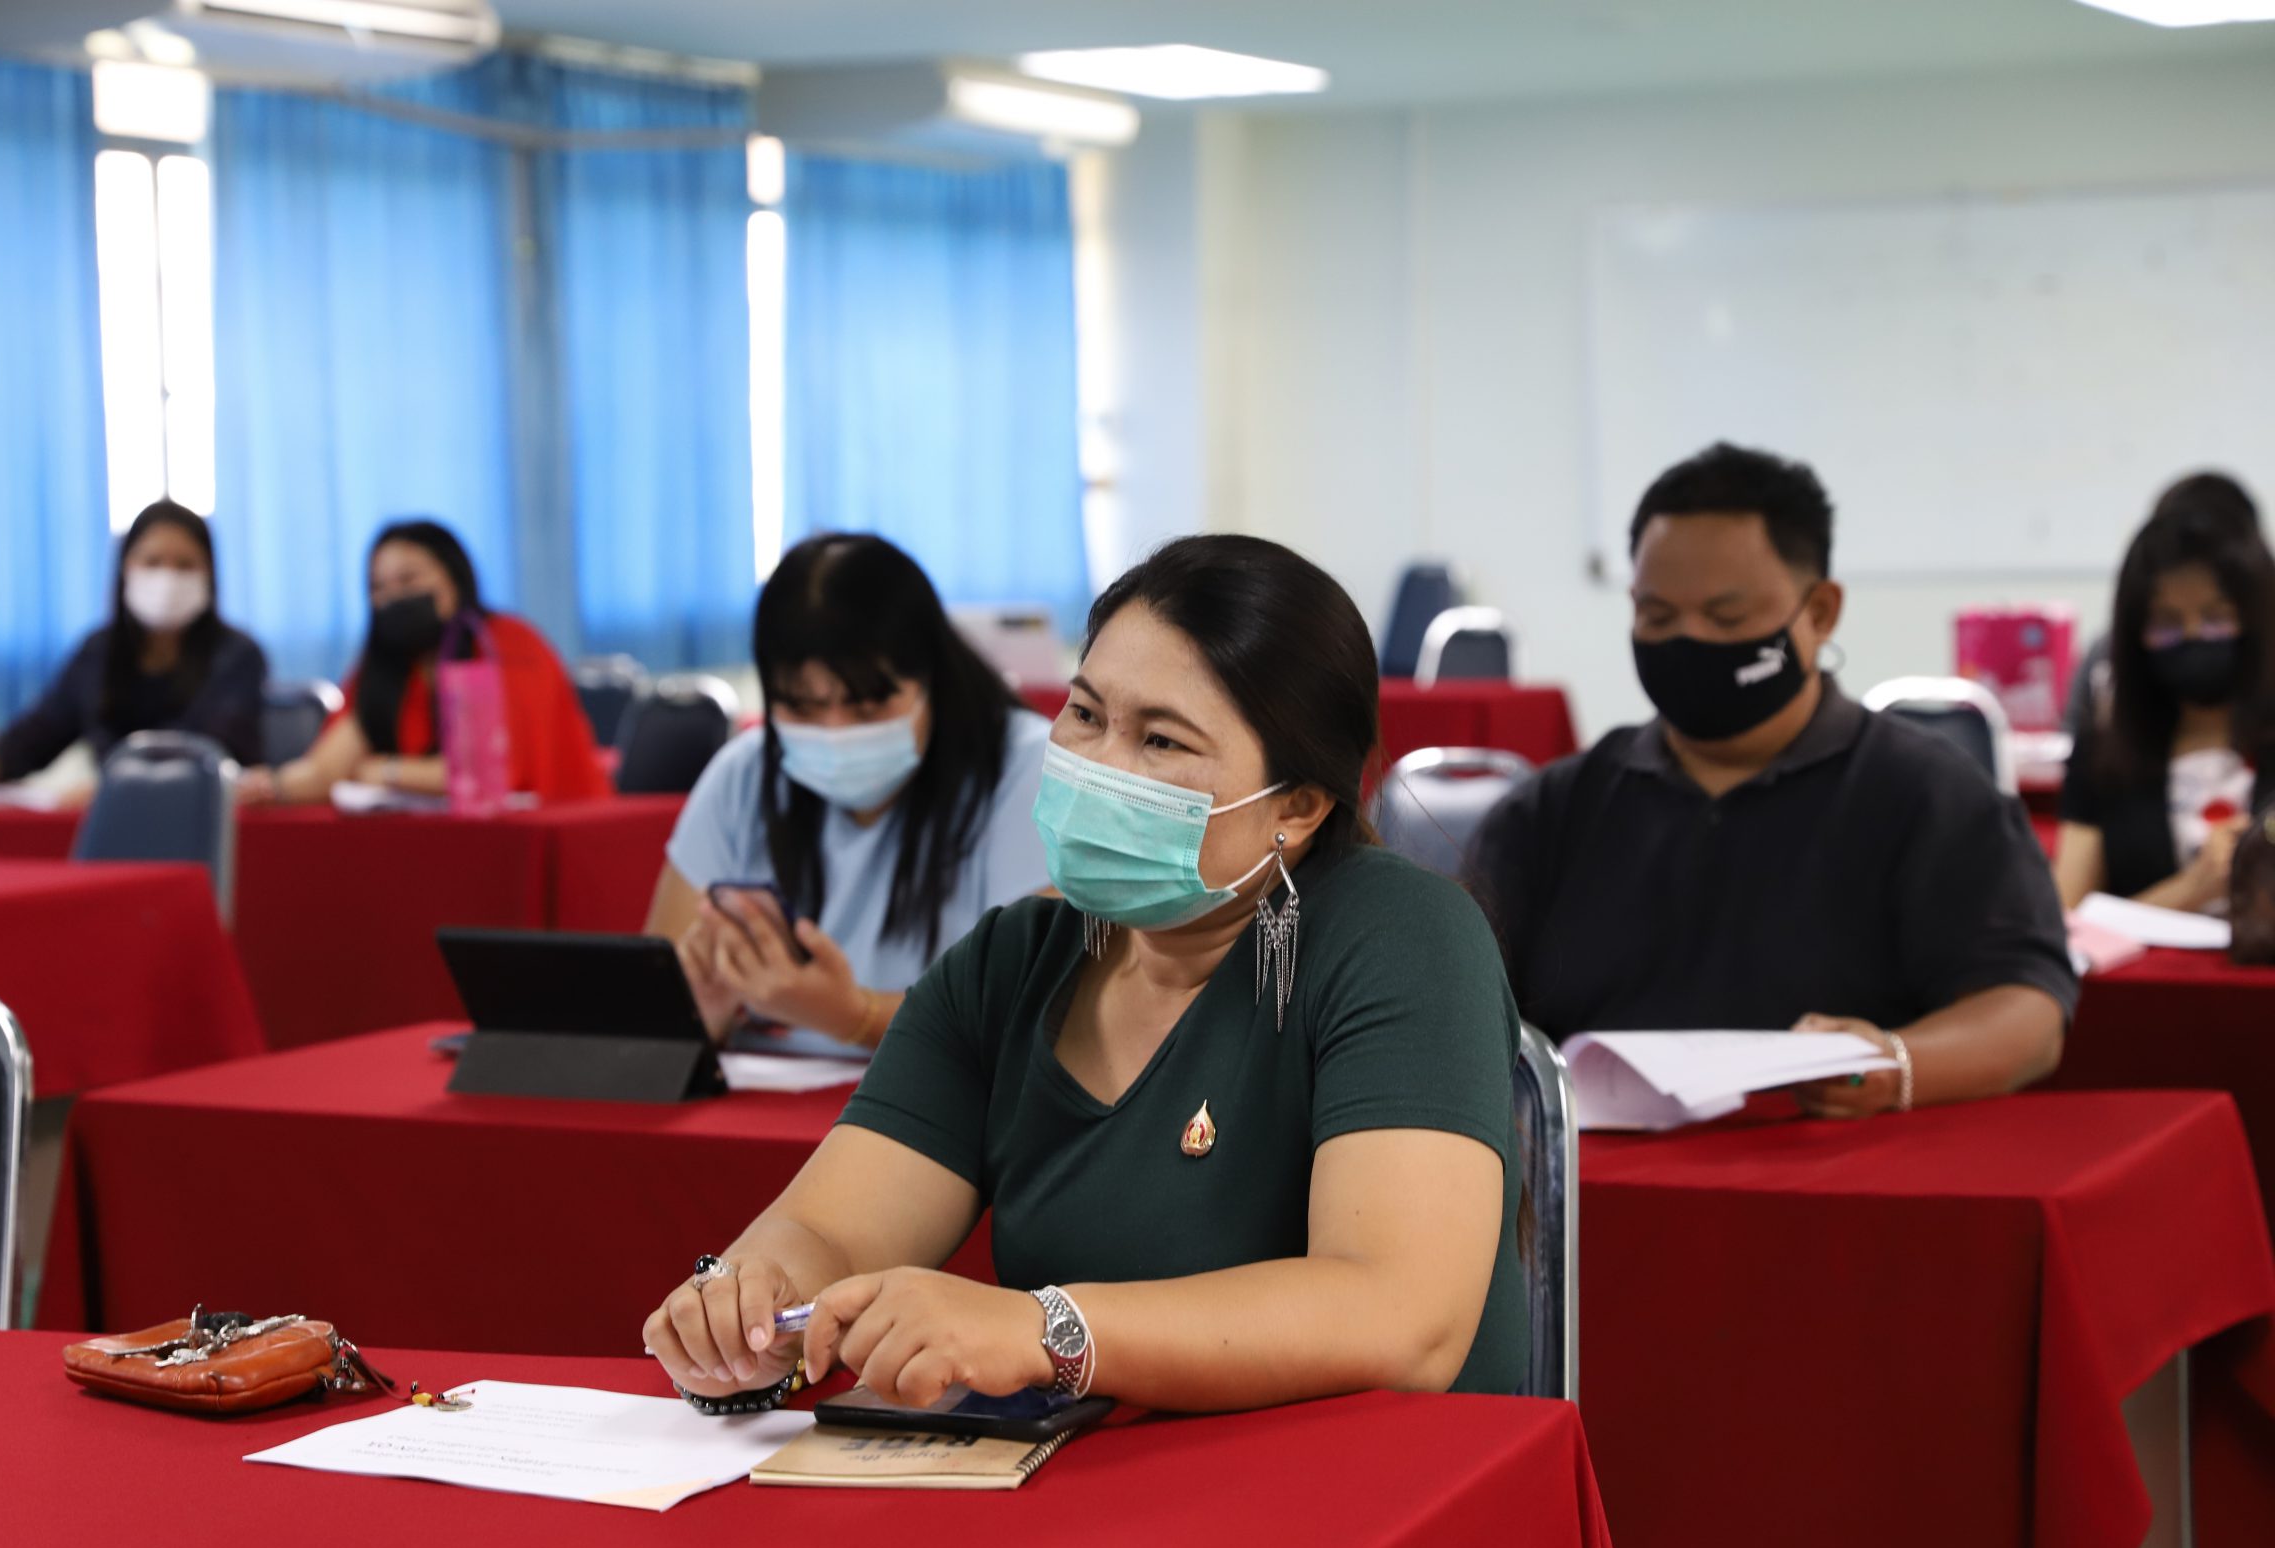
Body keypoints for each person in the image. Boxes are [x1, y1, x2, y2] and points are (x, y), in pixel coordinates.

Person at [644, 535, 1526, 1416]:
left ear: (1295, 805)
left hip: (1372, 1478)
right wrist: (753, 1302)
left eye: (1161, 740)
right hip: (1099, 1477)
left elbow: (1398, 1315)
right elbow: (829, 1230)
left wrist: (1046, 1331)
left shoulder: (1402, 935)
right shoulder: (1008, 963)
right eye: (1086, 714)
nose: (1098, 763)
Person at [1468, 442, 2075, 1118]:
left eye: (1727, 618)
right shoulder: (1551, 812)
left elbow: (2027, 1013)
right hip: (1593, 1173)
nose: (1688, 641)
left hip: (1844, 1167)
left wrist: (1894, 1064)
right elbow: (1451, 1007)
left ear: (1819, 613)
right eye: (1658, 617)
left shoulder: (1929, 796)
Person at [646, 533, 1049, 1055]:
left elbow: (1032, 1009)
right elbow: (657, 995)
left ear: (931, 679)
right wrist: (700, 1013)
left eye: (867, 707)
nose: (835, 732)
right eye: (802, 707)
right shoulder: (744, 775)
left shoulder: (1025, 770)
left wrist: (856, 1017)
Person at [0, 499, 265, 797]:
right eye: (153, 562)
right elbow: (22, 746)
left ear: (209, 575)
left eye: (184, 565)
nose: (167, 577)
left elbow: (212, 755)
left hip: (199, 823)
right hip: (110, 831)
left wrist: (114, 790)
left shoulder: (238, 657)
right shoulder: (99, 654)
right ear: (125, 569)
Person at [236, 520, 608, 805]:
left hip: (557, 832)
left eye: (409, 580)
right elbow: (328, 768)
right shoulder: (390, 666)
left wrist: (387, 770)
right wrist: (270, 785)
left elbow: (488, 770)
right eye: (379, 588)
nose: (393, 598)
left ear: (454, 579)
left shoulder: (505, 644)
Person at [2052, 503, 2275, 913]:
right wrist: (2191, 889)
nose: (2193, 635)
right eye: (2168, 622)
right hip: (2149, 957)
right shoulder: (2103, 756)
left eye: (2215, 617)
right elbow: (2067, 924)